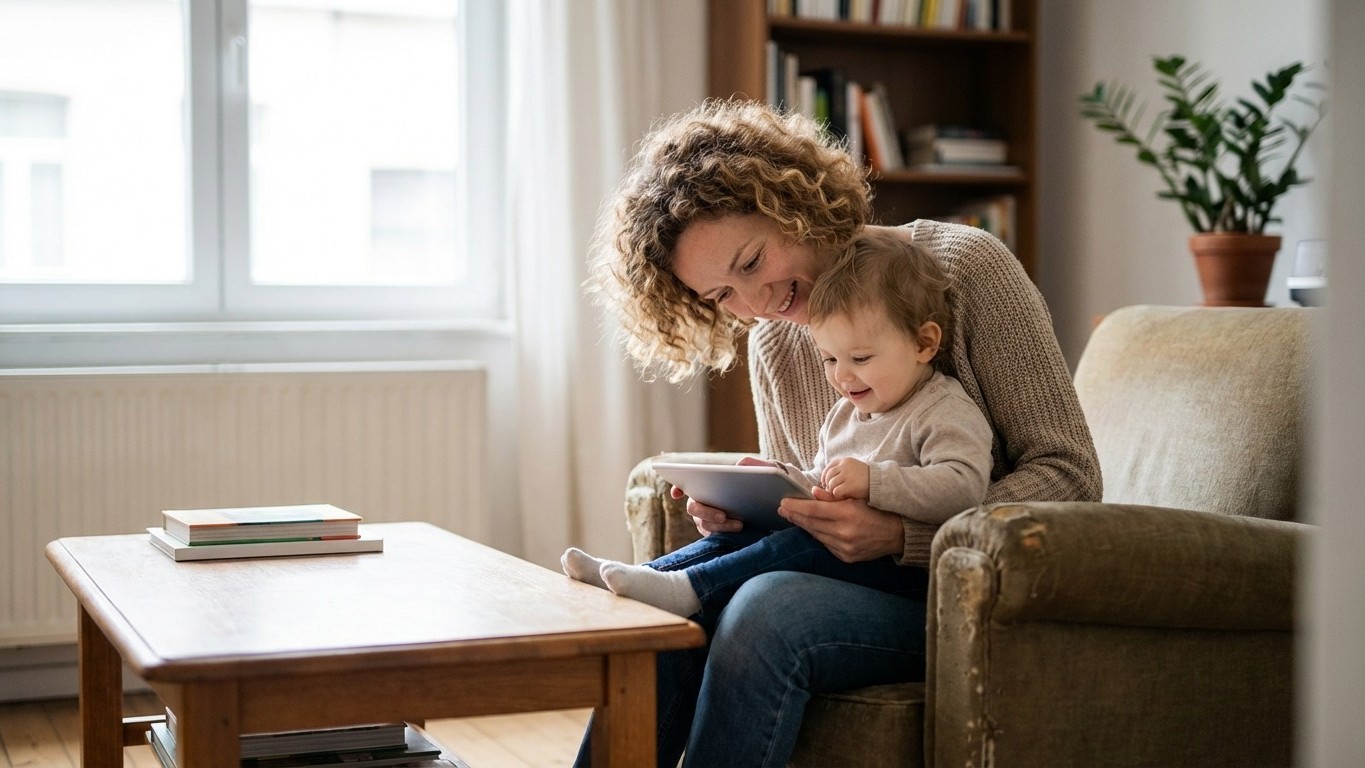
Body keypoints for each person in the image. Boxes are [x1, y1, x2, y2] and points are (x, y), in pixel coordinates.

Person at [577, 99, 1101, 768]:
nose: (756, 305)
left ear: (793, 202)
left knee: (767, 607)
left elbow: (1070, 477)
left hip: (966, 596)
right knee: (659, 609)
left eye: (751, 262)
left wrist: (901, 535)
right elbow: (810, 510)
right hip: (845, 581)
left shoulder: (964, 269)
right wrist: (743, 515)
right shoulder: (774, 343)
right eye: (721, 296)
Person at [563, 229, 993, 620]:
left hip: (908, 576)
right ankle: (652, 575)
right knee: (749, 535)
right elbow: (819, 482)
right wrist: (777, 479)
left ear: (924, 343)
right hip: (847, 562)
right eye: (829, 359)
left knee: (801, 542)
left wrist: (873, 482)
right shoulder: (845, 414)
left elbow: (963, 488)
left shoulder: (942, 408)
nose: (843, 376)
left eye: (860, 358)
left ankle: (691, 589)